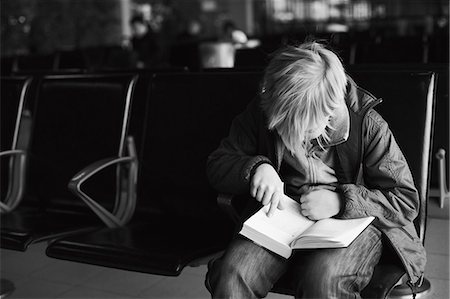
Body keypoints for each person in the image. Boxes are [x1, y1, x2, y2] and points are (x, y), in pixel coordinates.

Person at [205, 41, 426, 298]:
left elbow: (404, 200)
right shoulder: (264, 109)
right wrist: (255, 168)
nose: (293, 138)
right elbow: (218, 163)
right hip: (283, 222)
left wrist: (341, 201)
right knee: (233, 274)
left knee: (323, 280)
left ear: (330, 112)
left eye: (304, 130)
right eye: (284, 127)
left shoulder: (368, 125)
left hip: (352, 225)